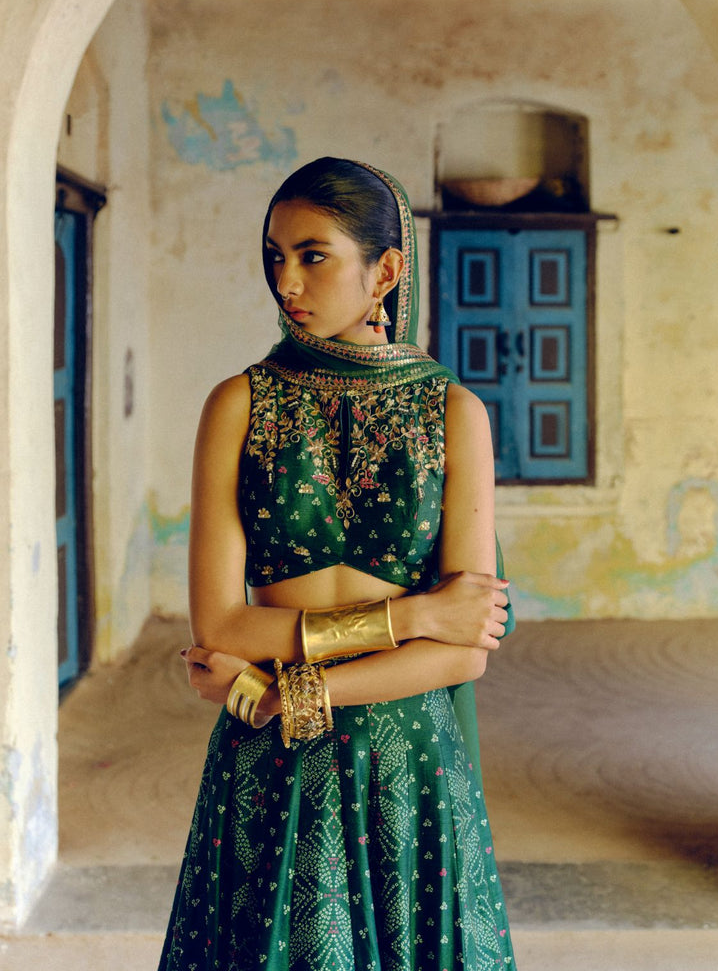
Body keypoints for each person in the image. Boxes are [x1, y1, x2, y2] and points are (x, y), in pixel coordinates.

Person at [158, 157, 516, 971]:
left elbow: (465, 652)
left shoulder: (455, 413)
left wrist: (288, 696)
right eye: (275, 256)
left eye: (312, 255)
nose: (286, 281)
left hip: (397, 761)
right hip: (272, 766)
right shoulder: (240, 403)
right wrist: (412, 617)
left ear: (385, 272)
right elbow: (221, 626)